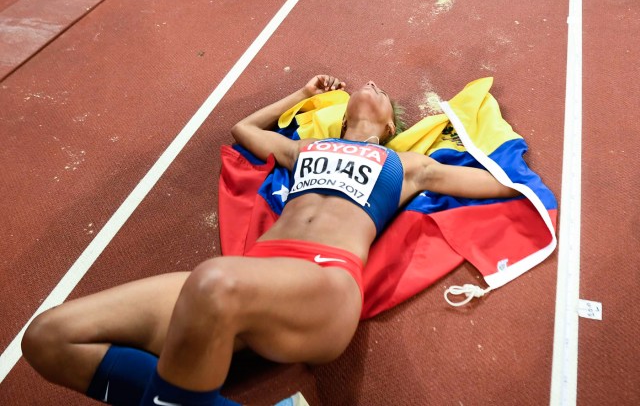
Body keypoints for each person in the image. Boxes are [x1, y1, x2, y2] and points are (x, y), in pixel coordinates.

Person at [21, 75, 519, 406]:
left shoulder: (407, 165)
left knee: (213, 282)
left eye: (381, 89)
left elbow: (502, 184)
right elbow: (244, 129)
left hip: (324, 280)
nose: (370, 83)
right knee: (48, 337)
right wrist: (302, 94)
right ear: (342, 117)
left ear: (391, 125)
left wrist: (496, 148)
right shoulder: (304, 148)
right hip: (253, 275)